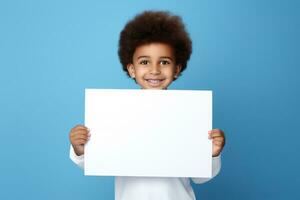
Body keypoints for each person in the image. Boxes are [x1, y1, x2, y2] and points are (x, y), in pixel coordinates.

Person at [69, 10, 225, 200]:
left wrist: (212, 153)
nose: (154, 70)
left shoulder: (188, 115)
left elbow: (200, 177)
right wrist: (80, 148)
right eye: (144, 62)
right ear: (132, 69)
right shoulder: (116, 113)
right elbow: (98, 161)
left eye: (164, 62)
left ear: (177, 69)